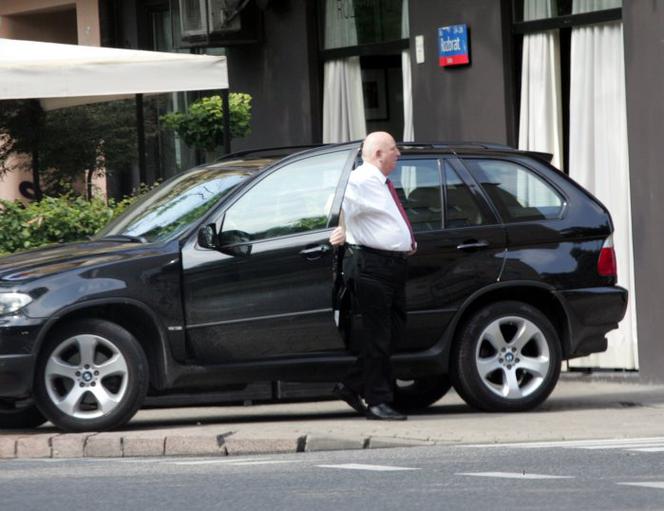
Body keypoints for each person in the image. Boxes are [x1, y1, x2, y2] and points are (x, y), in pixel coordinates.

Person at [329, 131, 415, 421]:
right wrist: (338, 230)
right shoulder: (361, 180)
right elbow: (337, 206)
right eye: (393, 149)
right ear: (379, 153)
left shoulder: (379, 182)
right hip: (372, 266)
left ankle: (351, 384)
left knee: (394, 332)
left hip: (391, 266)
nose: (398, 154)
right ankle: (377, 401)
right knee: (379, 336)